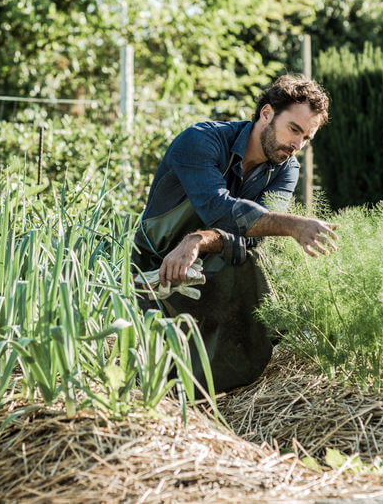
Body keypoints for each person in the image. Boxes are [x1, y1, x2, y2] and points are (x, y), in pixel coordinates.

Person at [132, 74, 338, 393]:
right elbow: (219, 208)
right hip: (154, 266)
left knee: (256, 265)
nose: (297, 145)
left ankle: (220, 392)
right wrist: (293, 225)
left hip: (215, 260)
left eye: (306, 138)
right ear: (266, 114)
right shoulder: (201, 141)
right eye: (294, 130)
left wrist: (198, 241)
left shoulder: (286, 168)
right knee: (153, 376)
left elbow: (251, 237)